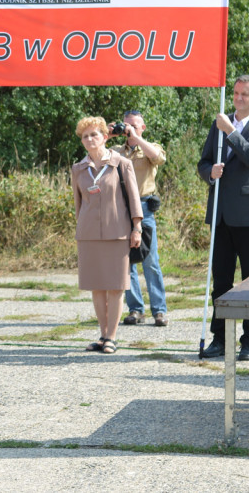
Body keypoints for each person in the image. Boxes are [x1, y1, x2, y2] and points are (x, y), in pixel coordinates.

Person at [197, 75, 249, 361]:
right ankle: (220, 337)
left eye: (244, 94)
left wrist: (231, 132)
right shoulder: (220, 123)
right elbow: (203, 162)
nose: (238, 98)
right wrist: (209, 173)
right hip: (221, 214)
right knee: (221, 281)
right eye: (236, 93)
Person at [72, 116, 143, 355]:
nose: (90, 139)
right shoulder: (78, 169)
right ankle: (102, 336)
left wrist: (137, 227)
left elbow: (134, 198)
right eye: (85, 136)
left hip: (118, 232)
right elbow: (78, 204)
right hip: (89, 235)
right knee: (96, 287)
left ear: (105, 136)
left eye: (94, 134)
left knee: (115, 287)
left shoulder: (121, 163)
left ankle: (112, 337)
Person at [114, 110, 169, 327]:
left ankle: (159, 310)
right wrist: (107, 134)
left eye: (135, 126)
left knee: (150, 260)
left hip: (145, 208)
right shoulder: (117, 151)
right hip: (121, 208)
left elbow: (159, 158)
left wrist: (137, 139)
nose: (130, 130)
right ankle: (135, 309)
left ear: (143, 128)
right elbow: (95, 157)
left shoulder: (149, 147)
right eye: (127, 126)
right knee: (126, 262)